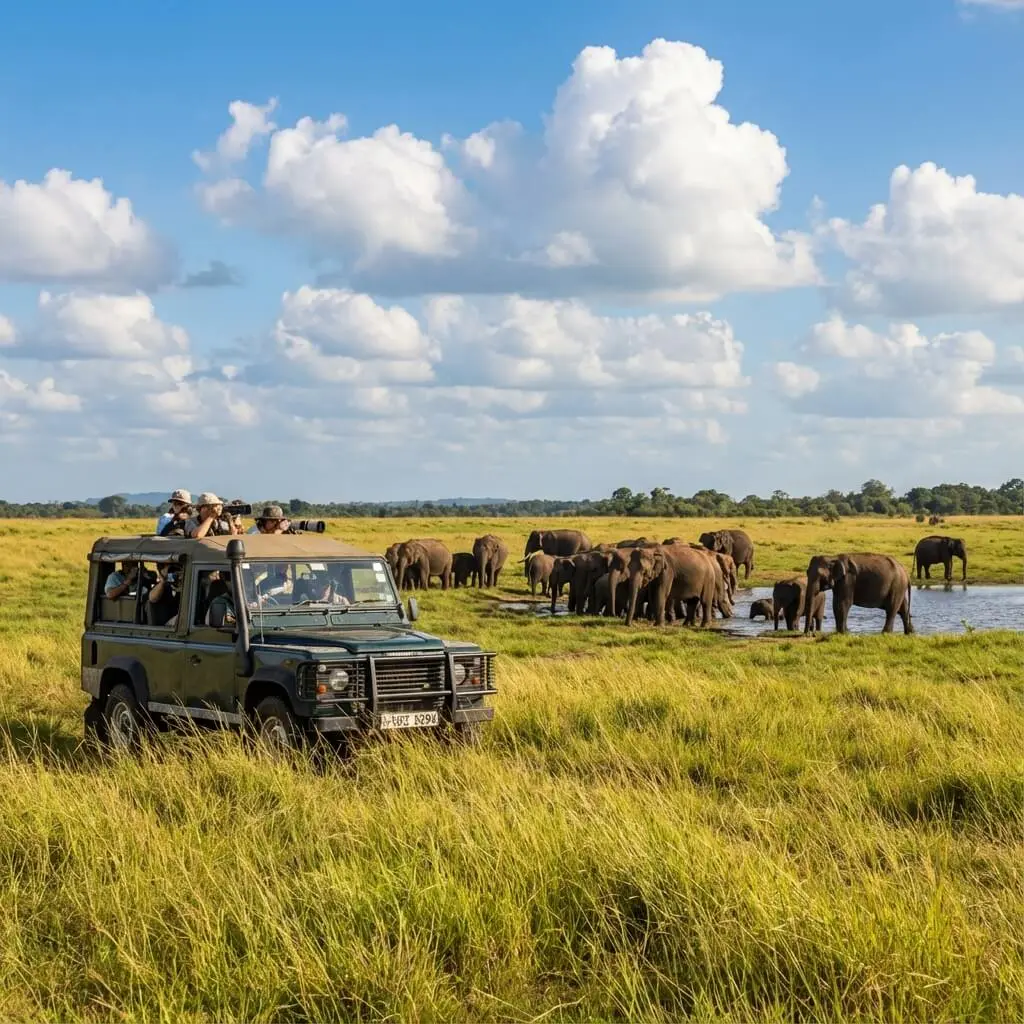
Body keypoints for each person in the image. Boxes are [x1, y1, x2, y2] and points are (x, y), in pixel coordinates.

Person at [146, 562, 182, 627]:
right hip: (167, 626)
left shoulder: (184, 585)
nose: (175, 574)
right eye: (172, 572)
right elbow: (152, 598)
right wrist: (163, 581)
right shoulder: (163, 587)